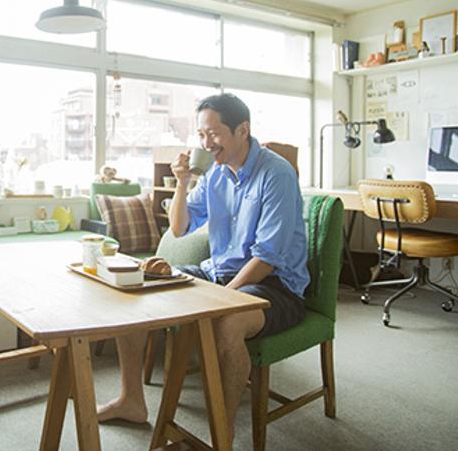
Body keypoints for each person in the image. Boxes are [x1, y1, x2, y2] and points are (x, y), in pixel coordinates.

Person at [97, 93, 309, 441]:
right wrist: (181, 182)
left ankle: (221, 436)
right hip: (219, 274)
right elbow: (180, 229)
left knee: (226, 323)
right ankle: (131, 400)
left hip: (276, 286)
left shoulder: (276, 174)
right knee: (132, 290)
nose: (206, 143)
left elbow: (267, 258)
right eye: (200, 135)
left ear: (243, 130)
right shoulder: (215, 175)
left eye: (213, 134)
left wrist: (221, 298)